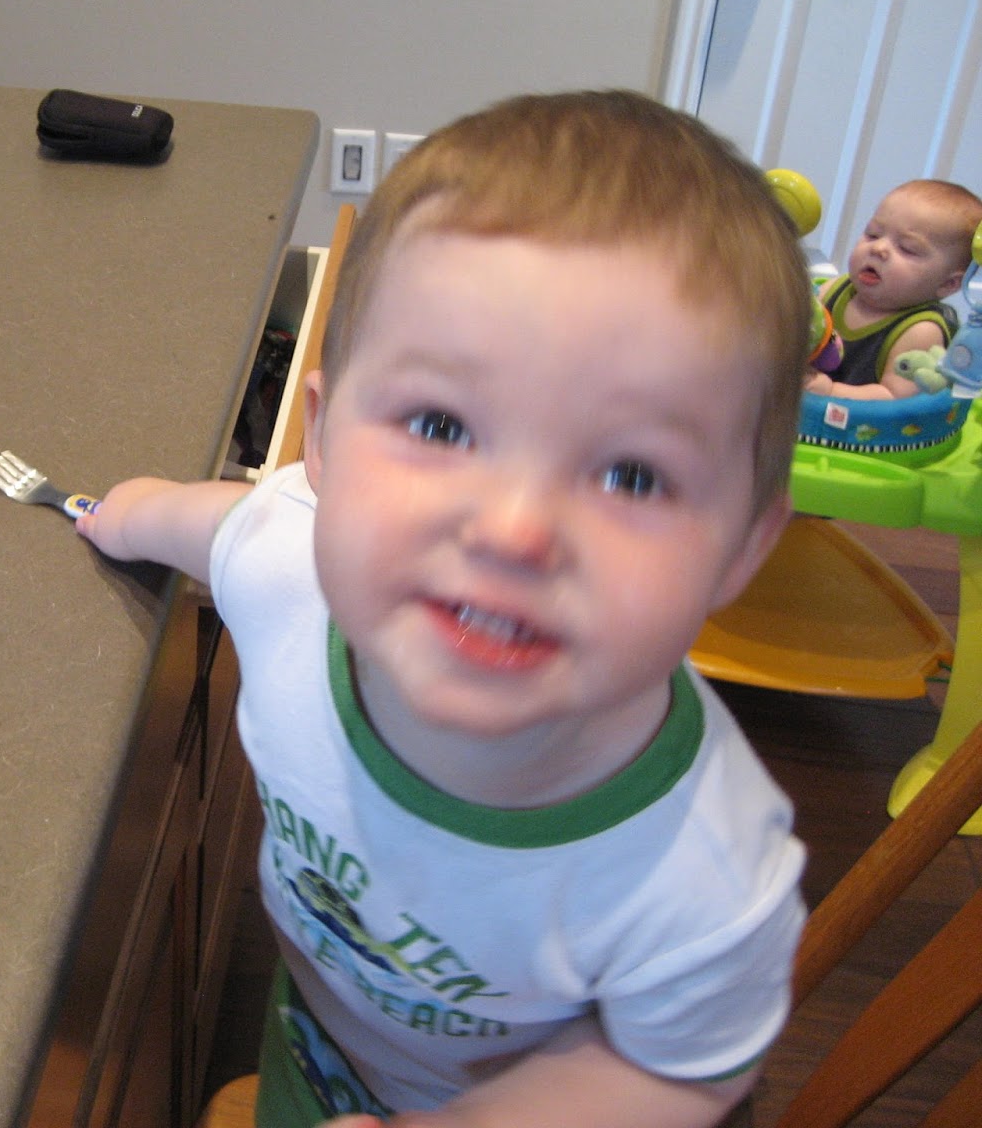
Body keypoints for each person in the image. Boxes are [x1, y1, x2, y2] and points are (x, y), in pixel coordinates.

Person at [77, 90, 811, 1128]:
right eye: (439, 423)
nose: (514, 529)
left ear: (743, 546)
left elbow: (679, 1071)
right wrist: (122, 514)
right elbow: (214, 524)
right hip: (314, 1052)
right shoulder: (288, 562)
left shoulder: (704, 874)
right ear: (320, 445)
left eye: (634, 477)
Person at [805, 178, 982, 399]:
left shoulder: (920, 330)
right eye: (873, 234)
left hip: (865, 431)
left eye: (907, 249)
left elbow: (894, 397)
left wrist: (831, 391)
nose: (878, 248)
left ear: (948, 284)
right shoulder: (833, 290)